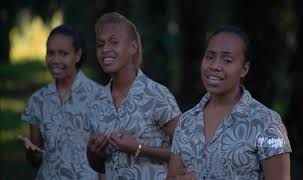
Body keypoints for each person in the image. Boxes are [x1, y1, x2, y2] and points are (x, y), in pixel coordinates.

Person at [167, 26, 292, 180]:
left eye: (227, 60)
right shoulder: (186, 121)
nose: (215, 66)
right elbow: (172, 176)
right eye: (210, 57)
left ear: (244, 69)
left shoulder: (267, 122)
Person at [86, 12, 181, 180]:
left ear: (133, 47)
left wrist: (137, 148)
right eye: (100, 44)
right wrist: (94, 152)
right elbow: (99, 166)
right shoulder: (96, 102)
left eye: (114, 42)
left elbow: (186, 150)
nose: (105, 49)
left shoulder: (156, 94)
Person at [18, 24, 106, 180]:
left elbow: (105, 160)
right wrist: (33, 154)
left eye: (63, 54)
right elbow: (35, 158)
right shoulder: (38, 100)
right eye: (50, 53)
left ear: (77, 55)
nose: (55, 60)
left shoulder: (99, 97)